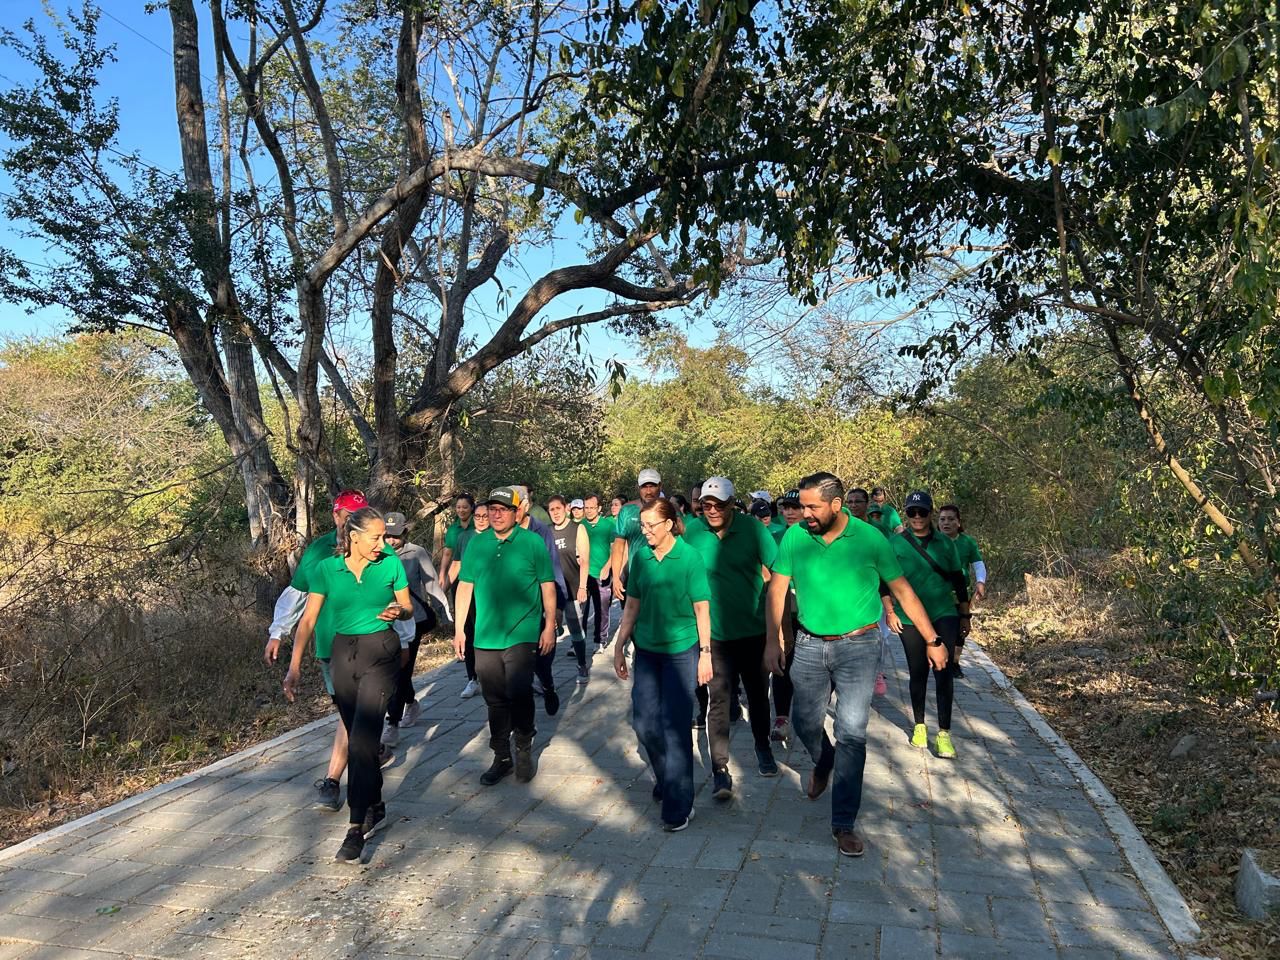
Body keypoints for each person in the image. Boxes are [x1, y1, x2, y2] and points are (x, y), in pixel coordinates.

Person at [765, 473, 945, 858]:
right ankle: (822, 760)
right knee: (805, 722)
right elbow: (777, 589)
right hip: (811, 644)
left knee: (852, 731)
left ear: (835, 504)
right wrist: (773, 641)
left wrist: (932, 640)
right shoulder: (797, 537)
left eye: (813, 507)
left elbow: (902, 591)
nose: (805, 513)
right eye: (802, 506)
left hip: (860, 647)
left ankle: (843, 822)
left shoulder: (870, 538)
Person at [283, 507, 414, 862]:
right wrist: (293, 668)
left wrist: (397, 612)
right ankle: (375, 802)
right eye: (375, 537)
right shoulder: (328, 569)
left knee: (362, 740)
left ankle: (355, 829)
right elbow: (308, 620)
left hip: (381, 652)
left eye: (384, 537)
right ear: (353, 536)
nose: (381, 543)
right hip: (343, 653)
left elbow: (408, 608)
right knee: (361, 741)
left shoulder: (390, 563)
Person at [265, 489, 369, 811]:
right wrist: (278, 635)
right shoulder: (320, 551)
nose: (352, 523)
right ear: (335, 516)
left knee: (352, 715)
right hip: (331, 647)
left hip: (371, 646)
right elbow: (298, 597)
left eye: (359, 516)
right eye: (347, 516)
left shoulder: (374, 548)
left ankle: (333, 780)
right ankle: (367, 749)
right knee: (349, 714)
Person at [612, 498, 712, 832]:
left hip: (682, 651)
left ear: (669, 524)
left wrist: (706, 654)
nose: (645, 532)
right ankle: (670, 778)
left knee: (675, 727)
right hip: (648, 651)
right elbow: (632, 604)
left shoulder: (689, 557)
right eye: (642, 526)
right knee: (644, 724)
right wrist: (620, 642)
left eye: (650, 526)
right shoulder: (640, 558)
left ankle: (679, 806)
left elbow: (702, 609)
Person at [453, 487, 557, 785]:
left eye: (503, 509)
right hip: (485, 634)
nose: (496, 514)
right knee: (495, 698)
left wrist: (549, 625)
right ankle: (501, 755)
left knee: (520, 689)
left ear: (516, 512)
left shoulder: (532, 543)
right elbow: (465, 587)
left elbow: (547, 586)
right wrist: (460, 629)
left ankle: (523, 742)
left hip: (523, 632)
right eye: (492, 509)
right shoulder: (477, 544)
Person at [684, 476, 779, 799]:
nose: (711, 510)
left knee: (756, 695)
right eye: (706, 505)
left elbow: (778, 571)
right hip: (714, 634)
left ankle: (762, 745)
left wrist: (780, 630)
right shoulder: (693, 531)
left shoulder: (753, 529)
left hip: (753, 630)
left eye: (719, 505)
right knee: (719, 700)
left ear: (731, 504)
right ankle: (720, 769)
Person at [885, 491, 970, 757]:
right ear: (906, 514)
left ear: (930, 513)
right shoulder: (894, 543)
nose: (918, 517)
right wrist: (889, 611)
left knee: (943, 669)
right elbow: (882, 581)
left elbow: (958, 580)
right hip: (908, 616)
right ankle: (920, 725)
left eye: (922, 512)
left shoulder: (945, 544)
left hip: (942, 611)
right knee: (918, 670)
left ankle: (944, 732)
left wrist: (965, 615)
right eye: (912, 512)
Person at [380, 512, 451, 747]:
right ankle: (411, 701)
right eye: (387, 535)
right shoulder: (375, 554)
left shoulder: (416, 553)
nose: (391, 540)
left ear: (405, 533)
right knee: (393, 673)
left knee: (402, 670)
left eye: (395, 536)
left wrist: (446, 613)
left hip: (413, 620)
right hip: (383, 622)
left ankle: (392, 724)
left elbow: (431, 583)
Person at [514, 484, 567, 715]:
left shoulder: (541, 531)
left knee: (543, 658)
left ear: (525, 506)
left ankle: (547, 685)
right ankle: (523, 724)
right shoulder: (497, 534)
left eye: (512, 507)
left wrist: (557, 608)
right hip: (513, 610)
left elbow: (553, 570)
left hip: (541, 603)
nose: (506, 513)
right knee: (518, 665)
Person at [769, 488, 803, 743]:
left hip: (814, 614)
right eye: (786, 507)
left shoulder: (816, 539)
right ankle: (781, 718)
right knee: (783, 662)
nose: (789, 512)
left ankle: (806, 713)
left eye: (795, 507)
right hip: (785, 611)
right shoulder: (776, 537)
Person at [547, 494, 593, 684]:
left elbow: (584, 560)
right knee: (549, 629)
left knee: (574, 628)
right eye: (551, 510)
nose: (555, 513)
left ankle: (582, 665)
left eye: (558, 509)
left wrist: (583, 586)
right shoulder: (547, 532)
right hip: (553, 589)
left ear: (565, 508)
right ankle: (545, 674)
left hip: (573, 586)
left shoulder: (577, 528)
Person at [938, 503, 986, 679]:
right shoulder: (932, 540)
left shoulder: (967, 542)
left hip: (960, 594)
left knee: (960, 629)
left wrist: (980, 582)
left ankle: (955, 663)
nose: (946, 523)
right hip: (936, 594)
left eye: (951, 519)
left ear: (958, 522)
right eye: (942, 519)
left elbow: (978, 564)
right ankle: (939, 659)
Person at [449, 503, 489, 699]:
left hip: (489, 594)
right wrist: (445, 586)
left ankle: (489, 674)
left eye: (485, 516)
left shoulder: (495, 536)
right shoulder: (465, 537)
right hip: (467, 591)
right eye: (478, 516)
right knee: (468, 633)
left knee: (486, 631)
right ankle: (472, 678)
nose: (481, 520)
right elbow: (457, 562)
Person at [610, 468, 663, 607]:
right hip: (636, 577)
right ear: (638, 488)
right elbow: (618, 546)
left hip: (663, 578)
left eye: (652, 486)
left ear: (660, 486)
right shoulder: (627, 511)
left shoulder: (668, 510)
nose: (649, 491)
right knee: (633, 623)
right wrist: (616, 577)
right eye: (644, 486)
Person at [581, 494, 616, 651]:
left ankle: (600, 640)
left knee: (602, 608)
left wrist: (607, 566)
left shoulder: (608, 525)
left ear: (599, 508)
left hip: (601, 573)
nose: (588, 511)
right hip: (583, 574)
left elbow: (616, 549)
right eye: (586, 507)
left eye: (591, 508)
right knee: (581, 609)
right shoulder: (580, 526)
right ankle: (578, 642)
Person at [439, 493, 475, 592]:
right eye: (458, 507)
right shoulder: (453, 530)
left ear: (472, 508)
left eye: (465, 507)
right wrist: (442, 575)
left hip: (476, 575)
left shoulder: (479, 526)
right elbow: (447, 554)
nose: (461, 510)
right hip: (457, 575)